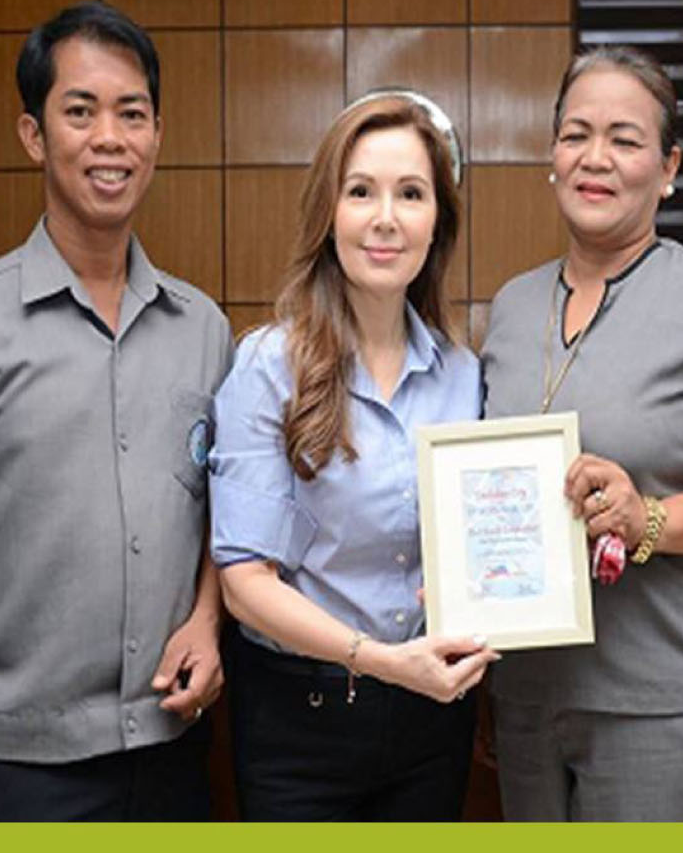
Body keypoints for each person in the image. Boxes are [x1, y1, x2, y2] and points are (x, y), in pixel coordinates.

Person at [0, 2, 230, 821]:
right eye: (80, 111)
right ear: (34, 135)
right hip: (16, 765)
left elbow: (224, 514)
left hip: (172, 745)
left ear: (156, 135)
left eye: (131, 113)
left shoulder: (205, 330)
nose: (110, 138)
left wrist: (207, 623)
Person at [479, 46, 683, 822]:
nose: (594, 157)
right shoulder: (512, 307)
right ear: (552, 156)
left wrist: (649, 519)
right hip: (524, 699)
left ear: (667, 169)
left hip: (661, 704)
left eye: (624, 140)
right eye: (575, 134)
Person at [207, 90, 499, 821]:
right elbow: (244, 583)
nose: (386, 218)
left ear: (438, 222)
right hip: (298, 722)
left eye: (411, 194)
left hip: (434, 717)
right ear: (328, 214)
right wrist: (382, 662)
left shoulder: (465, 376)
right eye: (361, 191)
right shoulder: (267, 367)